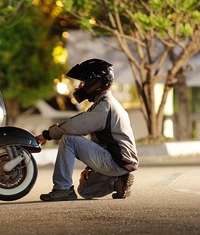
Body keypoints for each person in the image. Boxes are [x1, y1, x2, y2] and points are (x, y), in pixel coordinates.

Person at [36, 58, 138, 201]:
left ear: (95, 83)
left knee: (69, 139)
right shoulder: (105, 103)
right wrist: (89, 168)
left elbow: (74, 126)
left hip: (117, 161)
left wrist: (47, 135)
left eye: (83, 82)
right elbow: (104, 141)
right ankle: (118, 181)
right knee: (85, 190)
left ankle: (62, 189)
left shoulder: (105, 106)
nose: (80, 86)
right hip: (120, 162)